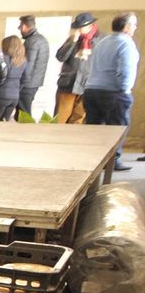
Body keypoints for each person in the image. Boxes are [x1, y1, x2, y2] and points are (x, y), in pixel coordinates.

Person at [83, 12, 138, 173]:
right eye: (134, 25)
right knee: (117, 128)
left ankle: (93, 160)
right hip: (114, 92)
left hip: (92, 90)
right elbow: (126, 70)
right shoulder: (126, 43)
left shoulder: (102, 42)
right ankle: (113, 161)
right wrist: (125, 89)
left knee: (94, 128)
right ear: (127, 27)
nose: (135, 28)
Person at [55, 13, 99, 125]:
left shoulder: (99, 40)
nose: (78, 29)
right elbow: (60, 56)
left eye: (81, 27)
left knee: (78, 119)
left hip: (87, 84)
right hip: (68, 84)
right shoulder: (72, 39)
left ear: (90, 26)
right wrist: (72, 41)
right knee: (60, 118)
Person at [18, 15, 50, 120]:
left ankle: (24, 133)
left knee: (24, 113)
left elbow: (28, 65)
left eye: (20, 26)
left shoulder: (31, 41)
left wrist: (22, 83)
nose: (20, 29)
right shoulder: (42, 39)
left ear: (24, 27)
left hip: (28, 84)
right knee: (24, 110)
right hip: (35, 82)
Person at [0, 36, 28, 122]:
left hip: (0, 95)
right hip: (14, 97)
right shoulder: (23, 61)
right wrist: (17, 89)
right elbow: (25, 79)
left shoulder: (3, 59)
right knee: (4, 121)